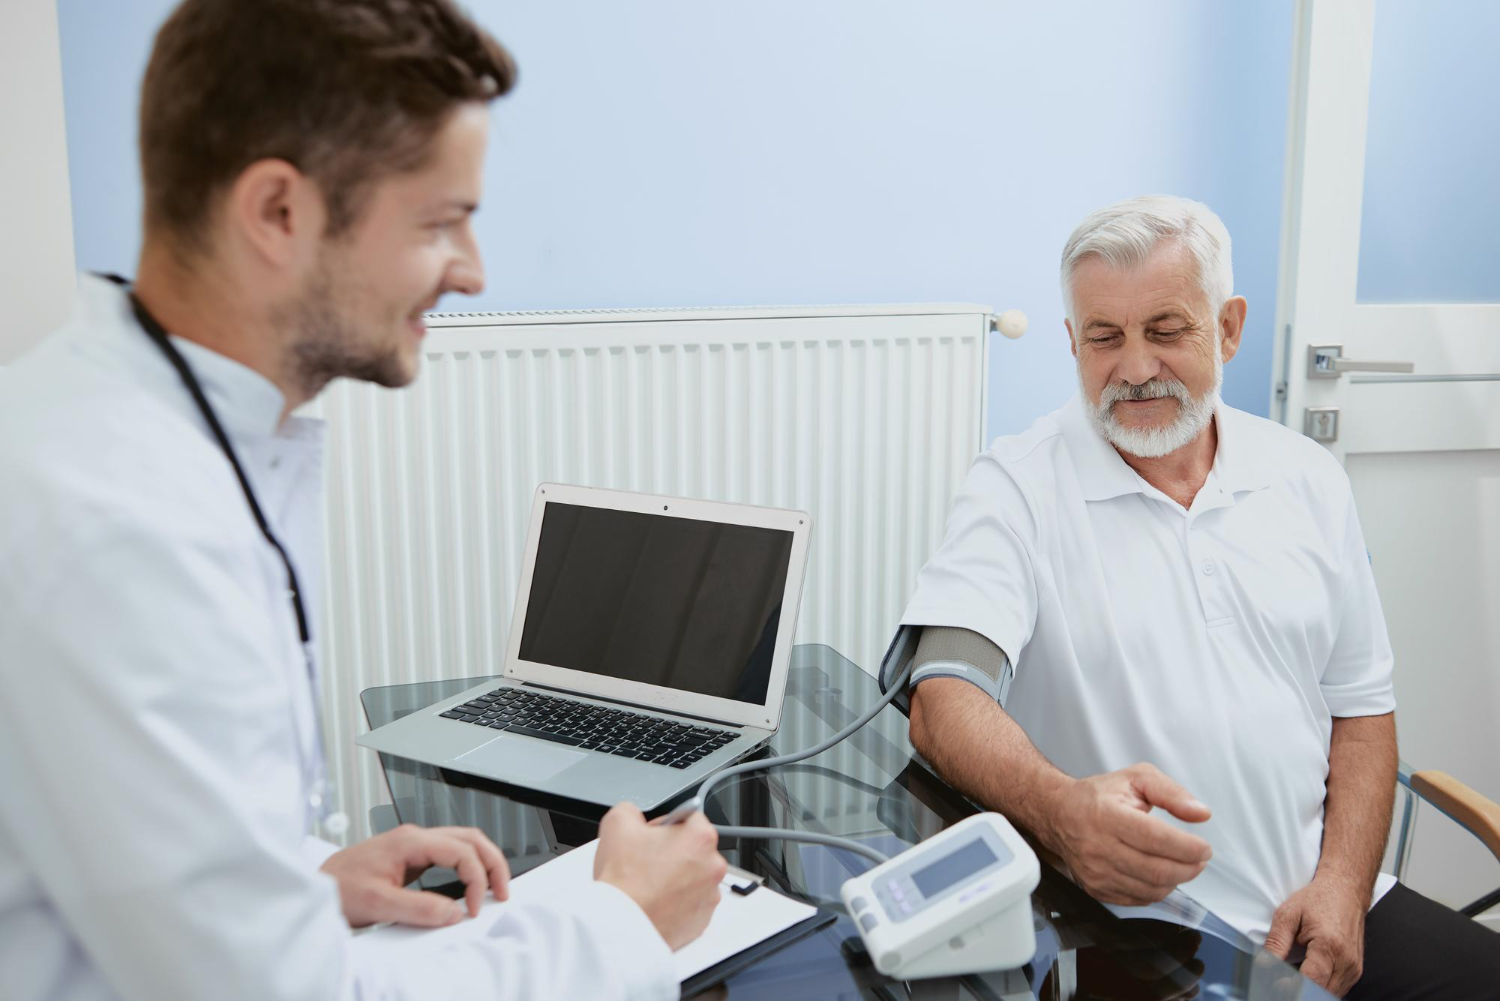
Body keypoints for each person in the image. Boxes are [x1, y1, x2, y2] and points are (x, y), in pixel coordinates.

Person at [0, 2, 725, 998]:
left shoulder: (132, 430)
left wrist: (302, 879)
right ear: (278, 212)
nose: (472, 271)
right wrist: (620, 922)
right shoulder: (121, 526)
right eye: (440, 221)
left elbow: (124, 849)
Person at [883, 195, 1500, 999]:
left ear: (1230, 327)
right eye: (1104, 337)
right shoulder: (1016, 488)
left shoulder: (1308, 478)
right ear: (1072, 341)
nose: (1135, 368)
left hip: (1330, 908)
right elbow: (943, 697)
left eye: (1167, 330)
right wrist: (1063, 811)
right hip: (1135, 937)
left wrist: (1344, 890)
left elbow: (1362, 712)